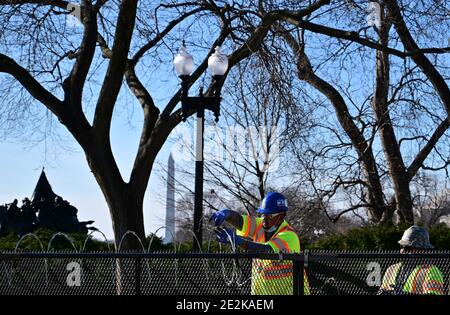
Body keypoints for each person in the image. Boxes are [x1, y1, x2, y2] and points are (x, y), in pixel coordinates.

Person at [210, 192, 310, 295]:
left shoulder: (289, 235)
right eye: (263, 214)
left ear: (281, 216)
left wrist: (237, 240)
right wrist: (227, 214)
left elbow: (266, 250)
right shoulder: (260, 225)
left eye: (270, 215)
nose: (265, 219)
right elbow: (240, 221)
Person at [378, 225, 445, 295]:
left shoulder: (431, 271)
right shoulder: (391, 269)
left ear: (422, 250)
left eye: (408, 248)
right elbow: (382, 290)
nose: (403, 251)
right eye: (402, 246)